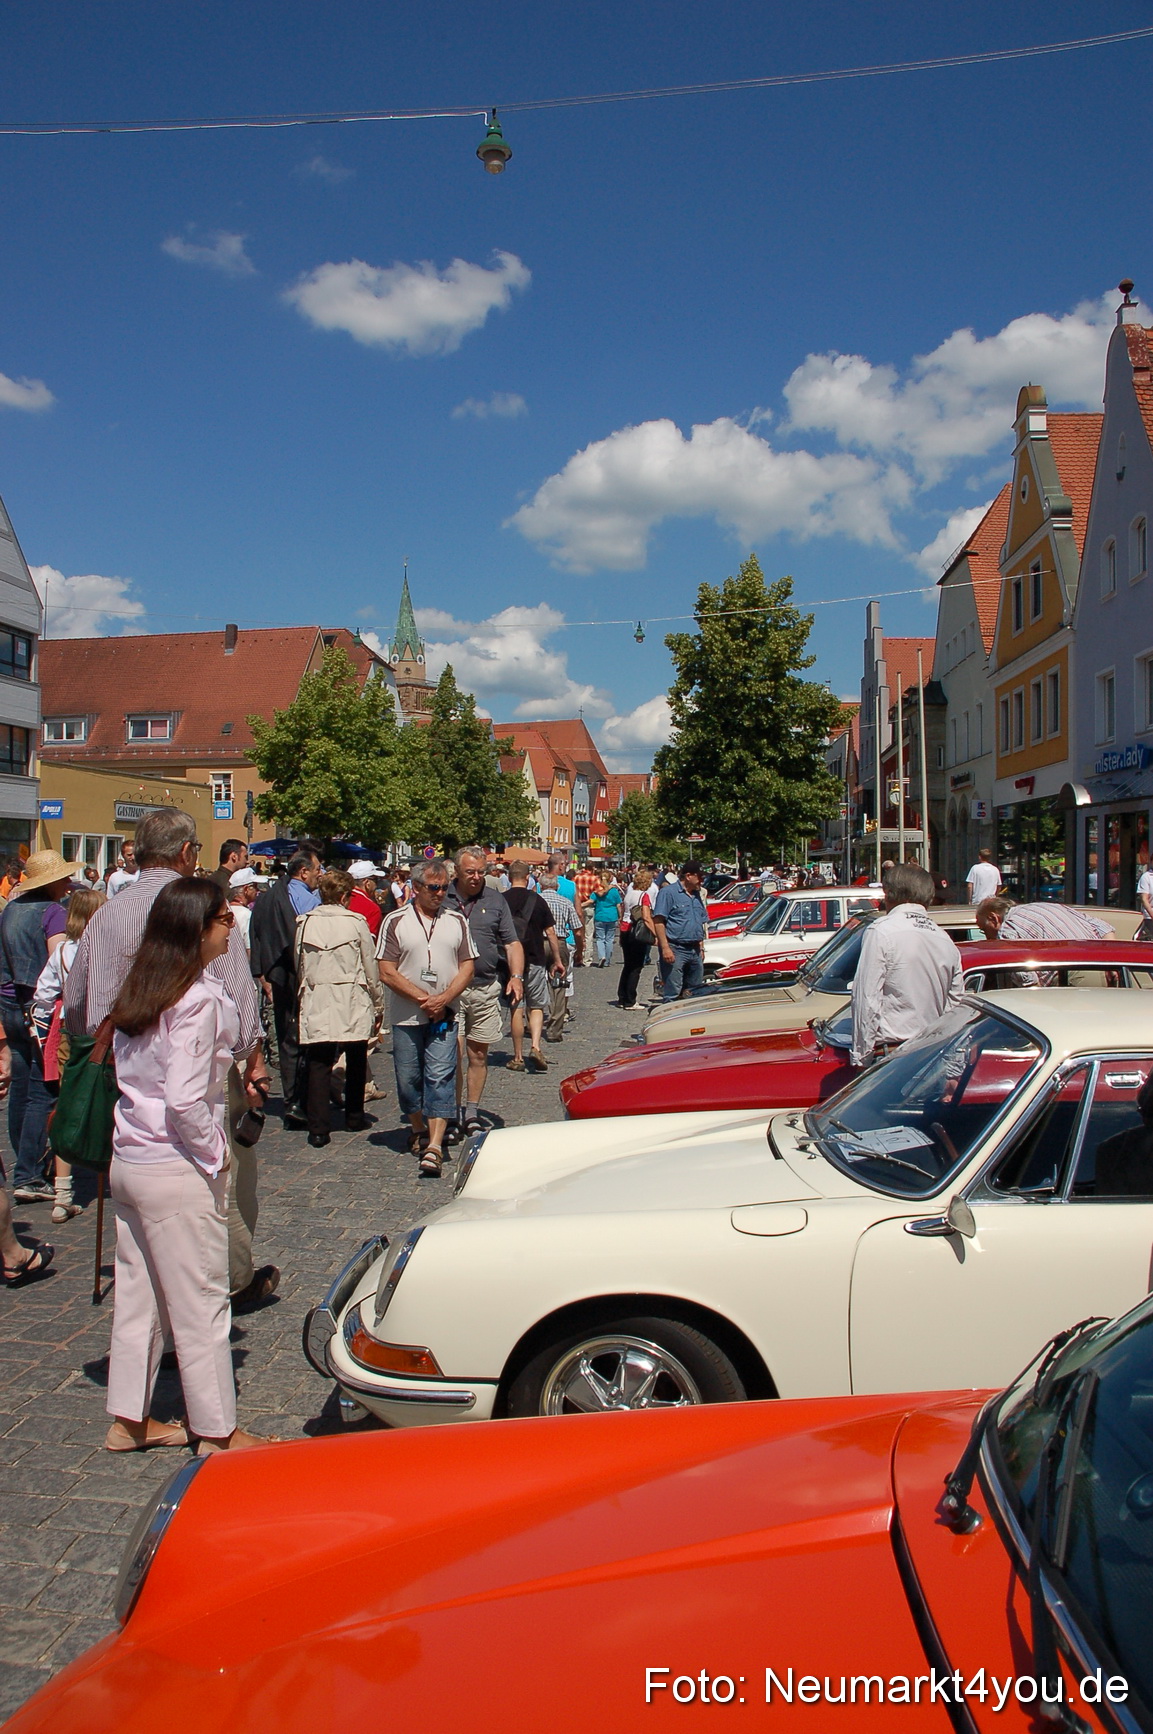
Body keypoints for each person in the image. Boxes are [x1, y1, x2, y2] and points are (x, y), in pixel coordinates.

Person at [64, 807, 277, 1314]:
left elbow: (75, 1003)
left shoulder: (107, 913)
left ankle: (155, 1269)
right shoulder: (202, 907)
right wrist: (253, 1060)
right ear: (186, 853)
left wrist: (95, 1042)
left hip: (124, 1063)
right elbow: (237, 990)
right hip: (197, 1064)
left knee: (142, 1172)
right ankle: (231, 1278)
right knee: (220, 1172)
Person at [105, 878, 272, 1455]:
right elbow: (182, 1099)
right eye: (224, 919)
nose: (232, 926)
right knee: (202, 1302)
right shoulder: (195, 1000)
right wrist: (216, 1153)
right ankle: (217, 1431)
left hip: (130, 1158)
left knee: (140, 1296)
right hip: (173, 1165)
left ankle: (128, 1420)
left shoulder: (147, 987)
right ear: (197, 928)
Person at [377, 858, 475, 1179]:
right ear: (416, 888)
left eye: (445, 887)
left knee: (441, 1074)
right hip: (407, 1016)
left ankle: (434, 1144)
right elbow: (386, 971)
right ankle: (417, 1126)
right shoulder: (395, 921)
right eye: (434, 888)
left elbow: (467, 966)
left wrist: (444, 999)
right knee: (408, 1080)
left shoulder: (456, 920)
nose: (440, 893)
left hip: (445, 1014)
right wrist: (423, 999)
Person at [0, 849, 77, 1203]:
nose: (68, 883)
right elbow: (59, 963)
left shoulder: (11, 909)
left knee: (20, 1085)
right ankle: (28, 1172)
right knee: (41, 1090)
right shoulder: (53, 913)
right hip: (38, 1007)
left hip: (9, 1002)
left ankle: (24, 1161)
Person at [30, 884, 106, 1221]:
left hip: (69, 1033)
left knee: (67, 1105)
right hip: (102, 1033)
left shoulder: (62, 951)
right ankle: (111, 1173)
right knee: (106, 1102)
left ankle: (62, 1193)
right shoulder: (103, 951)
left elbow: (43, 996)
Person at [296, 870, 383, 1149]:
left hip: (317, 994)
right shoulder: (356, 923)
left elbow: (299, 964)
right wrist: (378, 1000)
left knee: (319, 1061)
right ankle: (354, 1116)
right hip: (351, 994)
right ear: (345, 896)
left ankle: (318, 1128)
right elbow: (371, 965)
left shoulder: (305, 923)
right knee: (356, 1056)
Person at [850, 862, 963, 1068]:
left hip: (893, 1053)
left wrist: (861, 1055)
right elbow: (954, 1007)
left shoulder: (882, 931)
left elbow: (867, 997)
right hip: (931, 1051)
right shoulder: (944, 939)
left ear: (888, 893)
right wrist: (953, 1065)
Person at [445, 847, 523, 1137]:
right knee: (453, 1053)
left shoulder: (495, 899)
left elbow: (511, 943)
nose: (477, 877)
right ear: (457, 872)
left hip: (485, 987)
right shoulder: (442, 897)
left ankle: (471, 1111)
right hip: (450, 991)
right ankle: (450, 1113)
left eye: (481, 871)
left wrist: (516, 976)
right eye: (470, 872)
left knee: (478, 1054)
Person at [248, 846, 322, 1126]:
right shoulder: (309, 901)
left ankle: (294, 1100)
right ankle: (300, 1100)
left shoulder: (267, 897)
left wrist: (262, 973)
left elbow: (255, 935)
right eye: (317, 869)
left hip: (277, 976)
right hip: (298, 976)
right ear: (303, 872)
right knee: (306, 1040)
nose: (320, 874)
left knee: (287, 1038)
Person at [503, 862, 565, 1072]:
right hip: (536, 958)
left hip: (511, 963)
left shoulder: (501, 901)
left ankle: (518, 1056)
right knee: (536, 1006)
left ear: (509, 877)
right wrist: (557, 960)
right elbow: (551, 933)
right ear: (528, 878)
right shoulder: (537, 900)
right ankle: (536, 1046)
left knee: (516, 1008)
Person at [653, 860, 708, 1001]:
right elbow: (659, 921)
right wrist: (665, 947)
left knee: (695, 991)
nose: (702, 881)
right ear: (689, 876)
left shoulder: (696, 895)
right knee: (673, 991)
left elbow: (699, 921)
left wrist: (701, 947)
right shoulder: (668, 893)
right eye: (700, 877)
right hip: (676, 947)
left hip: (694, 949)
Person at [538, 873, 581, 1041]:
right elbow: (577, 928)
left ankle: (531, 1022)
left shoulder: (535, 901)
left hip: (538, 943)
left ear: (541, 886)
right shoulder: (565, 902)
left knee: (535, 981)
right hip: (560, 942)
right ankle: (555, 1029)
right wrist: (579, 948)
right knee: (559, 985)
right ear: (556, 887)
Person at [975, 897, 1115, 944]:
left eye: (983, 930)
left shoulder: (1008, 928)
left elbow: (1026, 979)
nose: (987, 937)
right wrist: (1111, 963)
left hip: (1069, 980)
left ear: (993, 918)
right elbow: (1104, 927)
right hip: (1101, 967)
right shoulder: (1048, 906)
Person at [616, 868, 657, 1009]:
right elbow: (646, 917)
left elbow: (623, 911)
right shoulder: (643, 896)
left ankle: (622, 996)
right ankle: (630, 1000)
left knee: (627, 965)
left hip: (625, 929)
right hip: (636, 932)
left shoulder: (629, 893)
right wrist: (655, 934)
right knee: (636, 967)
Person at [590, 873, 623, 966]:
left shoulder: (597, 890)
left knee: (600, 939)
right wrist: (620, 916)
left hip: (600, 915)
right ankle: (607, 960)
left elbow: (591, 900)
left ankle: (602, 956)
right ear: (610, 879)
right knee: (609, 939)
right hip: (612, 916)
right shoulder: (614, 891)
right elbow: (618, 905)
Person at [347, 860, 385, 938]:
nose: (377, 885)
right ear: (367, 883)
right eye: (376, 880)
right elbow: (369, 943)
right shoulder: (372, 909)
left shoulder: (337, 898)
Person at [227, 867, 259, 951]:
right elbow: (249, 949)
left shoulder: (225, 910)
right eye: (255, 886)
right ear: (246, 889)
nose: (258, 890)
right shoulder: (247, 915)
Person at [574, 861, 599, 964]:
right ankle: (587, 959)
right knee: (589, 934)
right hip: (588, 906)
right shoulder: (594, 879)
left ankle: (578, 956)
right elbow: (599, 893)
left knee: (578, 932)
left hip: (577, 906)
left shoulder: (576, 878)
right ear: (592, 867)